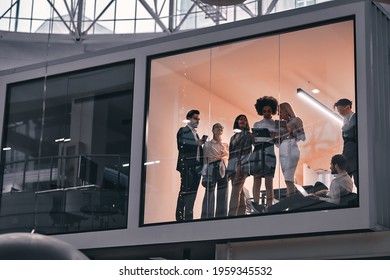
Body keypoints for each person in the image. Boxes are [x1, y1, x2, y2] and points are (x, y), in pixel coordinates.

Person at [175, 109, 205, 221]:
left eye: (198, 119)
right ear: (189, 119)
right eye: (195, 118)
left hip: (196, 166)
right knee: (185, 190)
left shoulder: (195, 134)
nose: (197, 121)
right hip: (187, 165)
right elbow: (181, 146)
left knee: (192, 193)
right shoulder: (183, 130)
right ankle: (180, 217)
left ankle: (188, 217)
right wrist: (196, 143)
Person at [251, 96, 278, 207]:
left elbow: (278, 142)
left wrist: (274, 136)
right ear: (261, 111)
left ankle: (269, 205)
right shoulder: (257, 124)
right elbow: (253, 141)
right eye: (264, 111)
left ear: (273, 111)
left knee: (269, 180)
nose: (266, 113)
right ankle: (256, 204)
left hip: (269, 150)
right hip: (257, 150)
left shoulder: (276, 124)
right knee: (256, 179)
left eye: (269, 111)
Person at [201, 123, 229, 218]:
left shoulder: (225, 144)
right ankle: (206, 217)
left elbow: (227, 157)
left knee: (223, 192)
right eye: (217, 127)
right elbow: (205, 159)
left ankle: (221, 217)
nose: (219, 129)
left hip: (223, 168)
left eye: (221, 127)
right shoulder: (207, 144)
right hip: (211, 167)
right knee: (209, 192)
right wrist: (204, 173)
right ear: (213, 130)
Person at [227, 115, 253, 216]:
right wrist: (229, 169)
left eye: (244, 120)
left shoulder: (249, 135)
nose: (242, 121)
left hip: (243, 165)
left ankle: (231, 216)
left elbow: (248, 151)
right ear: (237, 121)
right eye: (240, 119)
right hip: (232, 166)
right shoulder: (233, 137)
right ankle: (241, 215)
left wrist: (241, 165)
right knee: (239, 191)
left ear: (246, 123)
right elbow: (231, 154)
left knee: (235, 191)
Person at [278, 102, 306, 197]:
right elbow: (278, 143)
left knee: (288, 178)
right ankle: (294, 199)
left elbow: (302, 137)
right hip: (282, 148)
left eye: (280, 112)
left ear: (287, 111)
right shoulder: (279, 125)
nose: (279, 114)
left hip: (291, 147)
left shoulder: (296, 120)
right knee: (287, 179)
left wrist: (291, 131)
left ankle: (290, 200)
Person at [334, 98, 358, 189]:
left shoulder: (355, 118)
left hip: (354, 154)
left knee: (357, 180)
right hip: (347, 153)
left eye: (340, 110)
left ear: (347, 107)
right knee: (345, 181)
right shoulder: (345, 121)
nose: (340, 112)